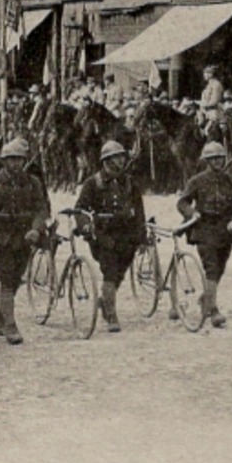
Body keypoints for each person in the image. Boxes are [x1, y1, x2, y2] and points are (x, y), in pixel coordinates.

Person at [0, 138, 51, 345]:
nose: (16, 164)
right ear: (3, 161)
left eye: (19, 160)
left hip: (24, 238)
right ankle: (10, 326)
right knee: (7, 279)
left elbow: (41, 209)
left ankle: (1, 316)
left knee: (16, 280)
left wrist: (36, 228)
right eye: (11, 160)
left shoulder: (33, 182)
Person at [74, 141, 146, 332]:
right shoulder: (93, 183)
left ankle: (105, 301)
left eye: (122, 157)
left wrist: (142, 237)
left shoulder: (130, 183)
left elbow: (139, 211)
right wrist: (86, 226)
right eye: (116, 157)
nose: (121, 161)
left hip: (127, 235)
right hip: (103, 235)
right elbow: (80, 209)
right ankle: (111, 314)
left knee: (119, 272)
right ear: (106, 160)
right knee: (110, 271)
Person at [176, 141, 232, 328]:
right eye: (213, 159)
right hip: (204, 229)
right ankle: (213, 310)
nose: (218, 162)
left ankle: (205, 299)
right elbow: (182, 202)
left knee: (220, 268)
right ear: (207, 160)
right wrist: (192, 213)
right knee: (211, 267)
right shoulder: (196, 181)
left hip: (225, 230)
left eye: (220, 158)